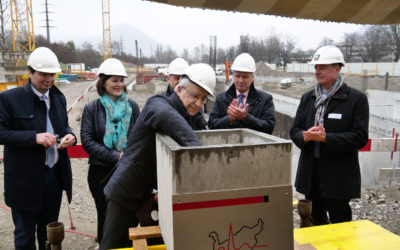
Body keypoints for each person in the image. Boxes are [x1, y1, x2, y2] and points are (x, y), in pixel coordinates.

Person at [100, 63, 216, 250]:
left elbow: (203, 129)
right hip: (125, 191)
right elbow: (167, 117)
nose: (199, 103)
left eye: (203, 99)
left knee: (160, 243)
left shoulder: (190, 113)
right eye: (195, 96)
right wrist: (200, 152)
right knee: (114, 246)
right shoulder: (158, 103)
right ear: (179, 88)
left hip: (151, 195)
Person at [0, 47, 76, 250]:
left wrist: (71, 136)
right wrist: (33, 137)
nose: (49, 79)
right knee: (25, 234)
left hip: (53, 176)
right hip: (25, 179)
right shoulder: (9, 99)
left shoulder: (58, 98)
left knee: (48, 232)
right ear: (30, 72)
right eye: (43, 74)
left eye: (52, 74)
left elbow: (64, 126)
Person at [290, 46, 369, 225]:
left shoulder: (356, 100)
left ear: (337, 68)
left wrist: (327, 138)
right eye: (316, 67)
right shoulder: (307, 98)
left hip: (338, 176)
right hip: (311, 175)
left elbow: (360, 137)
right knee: (314, 222)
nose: (317, 71)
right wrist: (305, 136)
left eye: (322, 67)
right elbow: (294, 130)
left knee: (340, 224)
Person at [80, 58, 140, 243]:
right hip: (100, 173)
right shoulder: (92, 108)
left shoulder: (133, 107)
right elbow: (87, 141)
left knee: (129, 217)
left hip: (126, 172)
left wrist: (128, 156)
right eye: (114, 80)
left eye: (121, 80)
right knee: (105, 216)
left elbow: (139, 137)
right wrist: (116, 156)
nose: (120, 84)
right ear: (103, 82)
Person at [208, 53, 275, 134]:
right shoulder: (221, 98)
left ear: (252, 77)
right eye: (237, 76)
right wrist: (229, 119)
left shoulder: (265, 99)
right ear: (233, 76)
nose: (240, 80)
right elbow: (211, 125)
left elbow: (269, 127)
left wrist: (246, 118)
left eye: (245, 77)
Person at [164, 57, 207, 130]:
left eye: (183, 78)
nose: (180, 81)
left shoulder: (196, 103)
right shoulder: (162, 101)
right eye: (177, 78)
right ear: (168, 78)